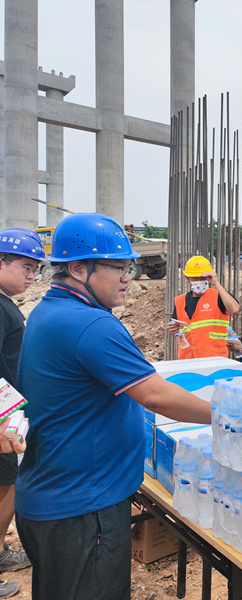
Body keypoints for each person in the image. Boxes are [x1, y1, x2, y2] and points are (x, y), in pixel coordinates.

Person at [14, 213, 212, 600]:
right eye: (118, 267)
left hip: (55, 497)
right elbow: (155, 395)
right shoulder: (89, 324)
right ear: (77, 268)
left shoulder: (49, 311)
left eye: (130, 266)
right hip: (85, 510)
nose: (128, 276)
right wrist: (228, 412)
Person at [0, 228, 46, 599]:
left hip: (10, 409)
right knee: (5, 490)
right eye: (26, 267)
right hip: (3, 416)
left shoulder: (5, 303)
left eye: (36, 270)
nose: (31, 276)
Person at [167, 255, 240, 359]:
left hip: (214, 361)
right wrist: (172, 330)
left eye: (203, 278)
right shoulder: (180, 301)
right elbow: (178, 330)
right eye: (195, 278)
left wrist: (217, 284)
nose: (199, 281)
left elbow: (235, 309)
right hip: (188, 361)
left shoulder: (218, 296)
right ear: (188, 278)